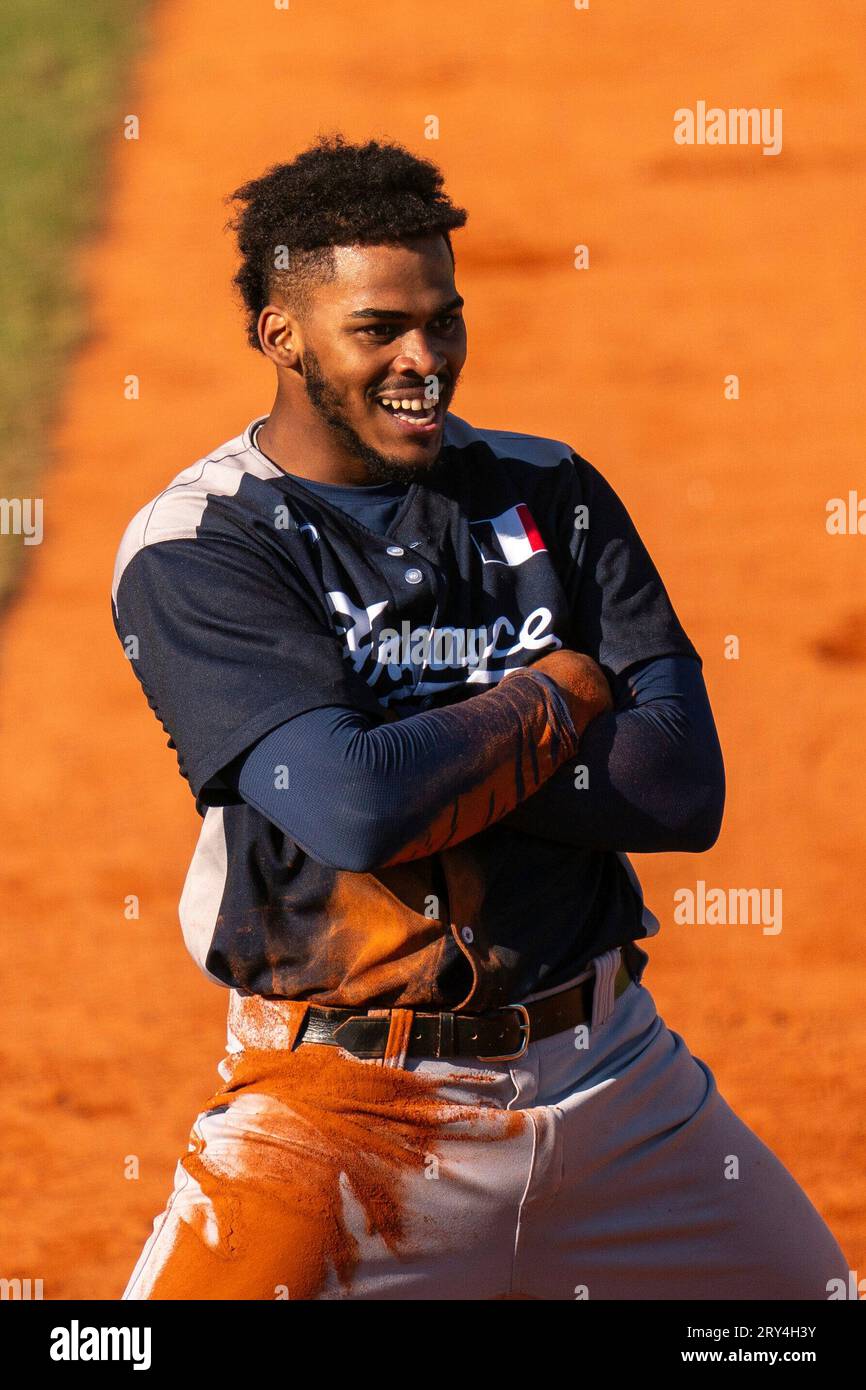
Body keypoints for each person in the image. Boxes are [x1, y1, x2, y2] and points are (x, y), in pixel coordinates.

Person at [112, 135, 850, 1300]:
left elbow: (676, 788)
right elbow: (353, 808)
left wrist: (412, 750)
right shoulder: (205, 546)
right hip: (344, 1114)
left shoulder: (548, 488)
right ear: (280, 334)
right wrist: (551, 693)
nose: (425, 359)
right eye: (379, 330)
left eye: (443, 319)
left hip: (617, 1091)